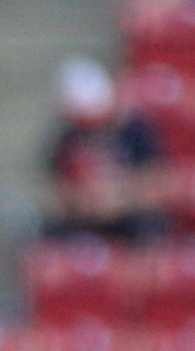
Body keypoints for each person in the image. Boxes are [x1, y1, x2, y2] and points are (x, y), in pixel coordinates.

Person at [41, 58, 167, 242]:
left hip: (129, 215)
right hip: (83, 217)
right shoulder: (67, 137)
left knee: (149, 228)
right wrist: (81, 200)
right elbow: (52, 187)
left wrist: (119, 199)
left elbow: (160, 182)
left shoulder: (135, 131)